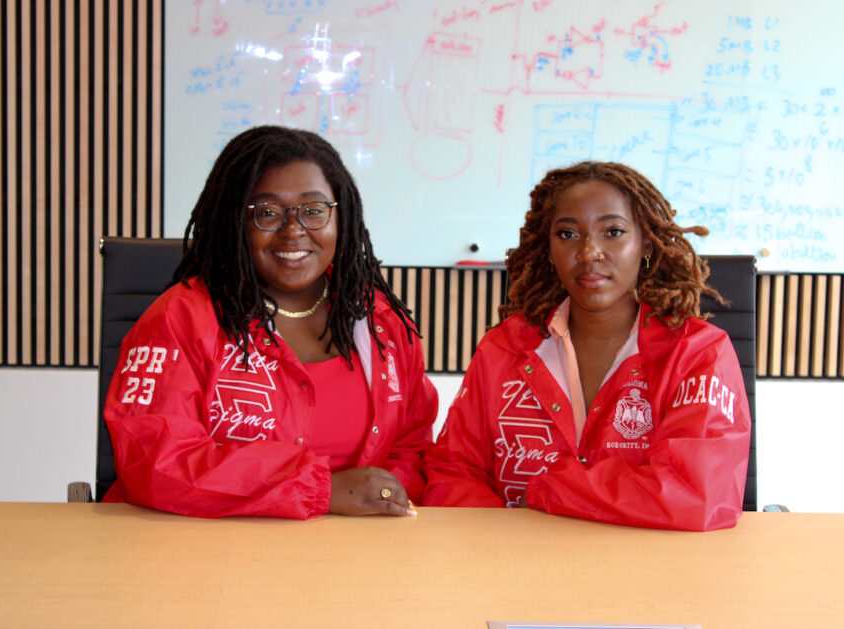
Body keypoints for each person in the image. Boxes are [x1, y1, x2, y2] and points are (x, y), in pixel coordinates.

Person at [102, 126, 437, 519]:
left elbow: (410, 449)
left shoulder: (383, 323)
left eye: (313, 210)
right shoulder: (179, 319)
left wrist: (384, 499)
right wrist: (319, 492)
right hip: (196, 552)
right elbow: (156, 463)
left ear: (340, 217)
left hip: (352, 555)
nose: (293, 230)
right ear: (235, 223)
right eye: (267, 213)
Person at [423, 161, 751, 531]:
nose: (589, 252)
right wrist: (504, 545)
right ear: (547, 248)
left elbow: (696, 494)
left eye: (613, 231)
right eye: (567, 234)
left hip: (652, 576)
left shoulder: (696, 353)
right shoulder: (505, 348)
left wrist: (549, 490)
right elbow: (452, 471)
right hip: (517, 571)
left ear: (645, 241)